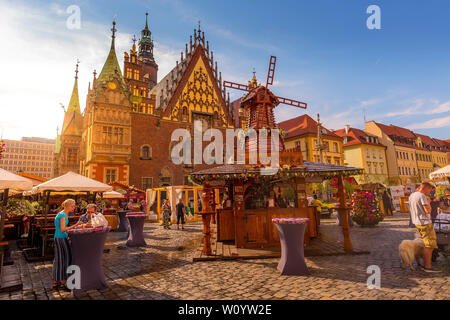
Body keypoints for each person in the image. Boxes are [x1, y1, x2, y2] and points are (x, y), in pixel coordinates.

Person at [408, 182, 439, 272]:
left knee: (426, 243)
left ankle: (426, 264)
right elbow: (428, 210)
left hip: (417, 222)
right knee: (430, 245)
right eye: (430, 190)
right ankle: (427, 265)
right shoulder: (422, 196)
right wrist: (429, 202)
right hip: (425, 222)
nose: (430, 192)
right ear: (426, 188)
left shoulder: (412, 195)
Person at [53, 199, 82, 291]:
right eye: (73, 206)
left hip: (60, 237)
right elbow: (62, 229)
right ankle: (63, 282)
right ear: (68, 206)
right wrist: (76, 225)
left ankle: (59, 280)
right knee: (65, 258)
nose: (74, 208)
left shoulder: (63, 214)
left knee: (61, 258)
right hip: (61, 238)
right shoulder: (62, 215)